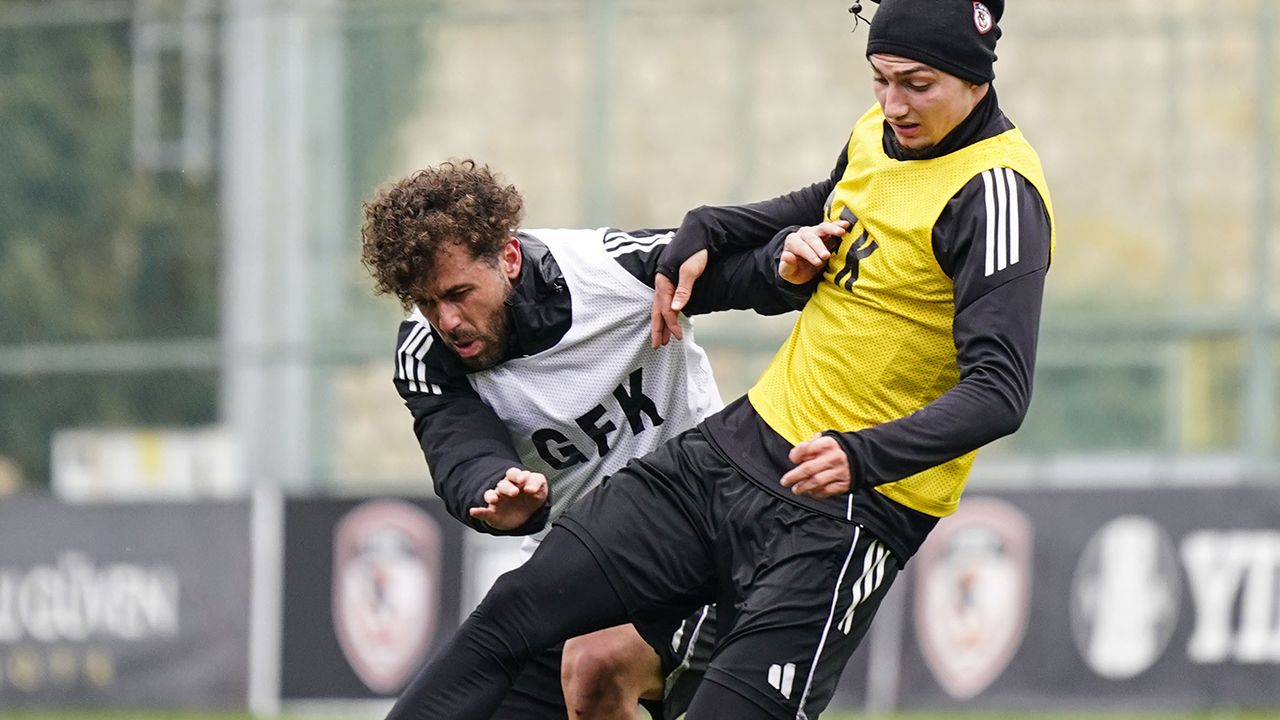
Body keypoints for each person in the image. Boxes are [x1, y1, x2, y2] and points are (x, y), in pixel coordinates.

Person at [390, 0, 1055, 717]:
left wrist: (862, 455)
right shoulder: (880, 133)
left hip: (848, 510)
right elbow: (822, 202)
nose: (893, 104)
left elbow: (1000, 391)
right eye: (880, 79)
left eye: (916, 85)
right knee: (512, 617)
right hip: (733, 453)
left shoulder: (996, 194)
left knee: (618, 674)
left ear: (976, 77)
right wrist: (710, 224)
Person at [361, 160, 815, 720]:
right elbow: (459, 448)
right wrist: (496, 492)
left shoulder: (614, 270)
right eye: (428, 303)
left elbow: (744, 271)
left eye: (459, 293)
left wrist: (784, 269)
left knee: (596, 666)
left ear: (508, 257)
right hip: (582, 566)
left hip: (705, 541)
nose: (447, 321)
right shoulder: (425, 353)